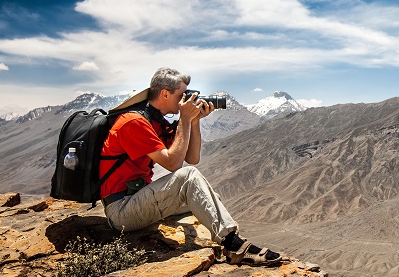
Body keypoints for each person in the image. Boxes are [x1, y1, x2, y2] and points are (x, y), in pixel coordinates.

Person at [99, 67, 281, 266]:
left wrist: (194, 122)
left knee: (208, 199)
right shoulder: (133, 122)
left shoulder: (156, 122)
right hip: (122, 211)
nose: (187, 99)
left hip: (137, 200)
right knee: (189, 178)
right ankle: (234, 246)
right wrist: (184, 119)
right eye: (182, 95)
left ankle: (226, 239)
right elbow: (174, 164)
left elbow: (192, 158)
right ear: (165, 94)